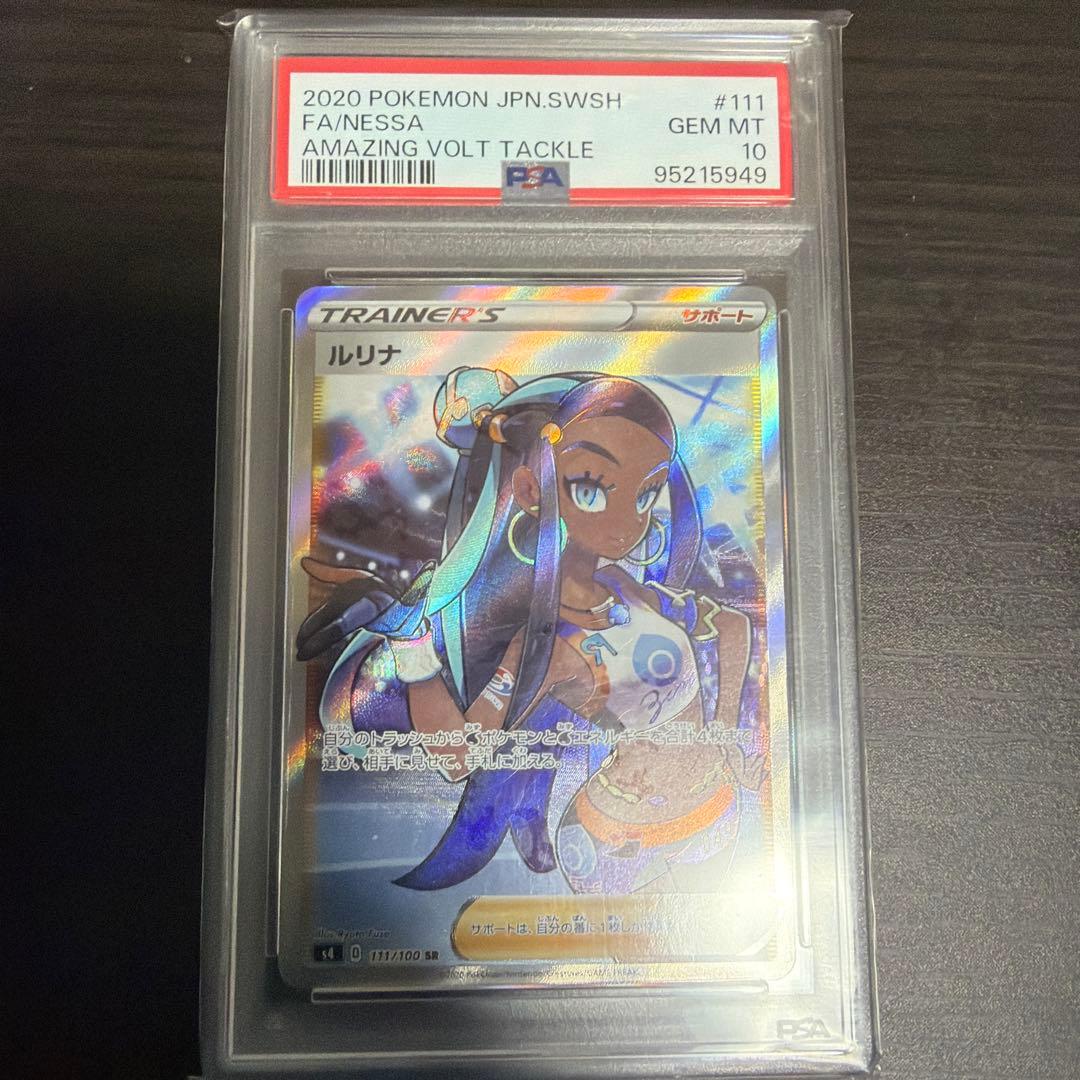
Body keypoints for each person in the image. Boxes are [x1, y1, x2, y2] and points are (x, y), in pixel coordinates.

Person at [298, 367, 764, 894]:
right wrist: (412, 647)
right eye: (591, 489)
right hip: (619, 838)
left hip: (713, 803)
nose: (627, 523)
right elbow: (461, 756)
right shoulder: (542, 645)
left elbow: (732, 624)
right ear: (527, 488)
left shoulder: (627, 589)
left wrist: (724, 734)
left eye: (645, 495)